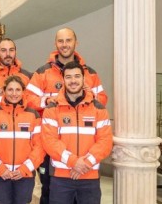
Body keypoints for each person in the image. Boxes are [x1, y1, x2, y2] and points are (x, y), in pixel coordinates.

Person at [25, 28, 108, 204]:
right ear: (56, 44)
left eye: (68, 40)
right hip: (53, 150)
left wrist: (88, 95)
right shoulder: (42, 72)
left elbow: (102, 100)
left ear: (75, 43)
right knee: (48, 192)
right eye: (61, 41)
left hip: (87, 160)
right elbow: (28, 99)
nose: (65, 45)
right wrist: (50, 99)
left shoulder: (90, 73)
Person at [41, 61, 112, 204]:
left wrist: (84, 164)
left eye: (77, 76)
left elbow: (105, 142)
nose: (73, 81)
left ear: (83, 79)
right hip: (60, 179)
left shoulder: (99, 109)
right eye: (68, 77)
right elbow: (50, 142)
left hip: (89, 177)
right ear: (62, 80)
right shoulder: (52, 108)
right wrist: (74, 162)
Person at [0, 75, 45, 204]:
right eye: (10, 90)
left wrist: (24, 169)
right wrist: (0, 168)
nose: (14, 94)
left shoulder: (33, 115)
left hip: (24, 175)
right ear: (4, 91)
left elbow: (39, 147)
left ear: (23, 92)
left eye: (17, 90)